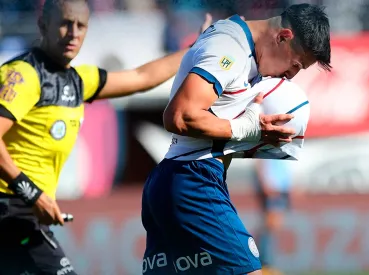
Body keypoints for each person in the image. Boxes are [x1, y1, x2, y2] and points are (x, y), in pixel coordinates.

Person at [0, 0, 212, 274]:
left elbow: (140, 77)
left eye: (81, 25)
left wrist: (194, 51)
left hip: (25, 213)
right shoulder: (23, 76)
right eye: (65, 23)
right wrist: (32, 194)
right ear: (43, 25)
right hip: (11, 207)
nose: (73, 33)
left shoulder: (77, 80)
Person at [141, 3, 331, 275]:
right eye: (296, 64)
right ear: (283, 36)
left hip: (178, 179)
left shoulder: (238, 43)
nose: (291, 75)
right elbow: (179, 116)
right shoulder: (231, 48)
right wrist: (245, 130)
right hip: (193, 181)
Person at [253, 159, 295, 275]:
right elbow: (261, 158)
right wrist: (265, 180)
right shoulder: (270, 143)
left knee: (272, 226)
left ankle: (264, 263)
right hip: (273, 186)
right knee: (269, 226)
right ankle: (264, 264)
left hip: (280, 186)